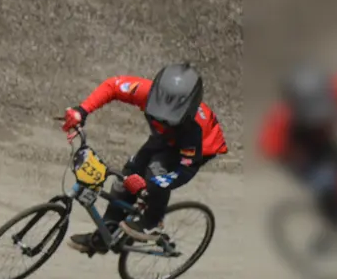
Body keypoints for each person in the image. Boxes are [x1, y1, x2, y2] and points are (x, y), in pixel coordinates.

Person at [60, 63, 228, 253]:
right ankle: (107, 230)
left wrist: (150, 186)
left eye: (169, 119)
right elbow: (113, 86)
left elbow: (186, 168)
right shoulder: (145, 91)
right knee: (126, 177)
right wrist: (82, 111)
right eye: (157, 114)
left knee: (156, 174)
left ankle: (152, 222)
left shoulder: (194, 129)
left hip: (197, 149)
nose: (162, 120)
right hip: (164, 139)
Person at [259, 65, 337, 233]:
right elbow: (272, 149)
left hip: (324, 141)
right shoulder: (279, 122)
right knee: (330, 183)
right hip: (299, 156)